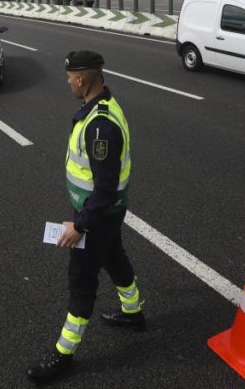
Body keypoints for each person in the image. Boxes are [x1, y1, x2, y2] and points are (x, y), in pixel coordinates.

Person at [27, 50, 146, 382]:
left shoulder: (100, 127)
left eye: (69, 77)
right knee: (114, 258)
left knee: (81, 280)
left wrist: (79, 226)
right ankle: (133, 312)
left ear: (81, 78)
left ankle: (64, 354)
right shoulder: (103, 106)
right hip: (104, 213)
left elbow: (105, 188)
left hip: (97, 214)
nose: (67, 82)